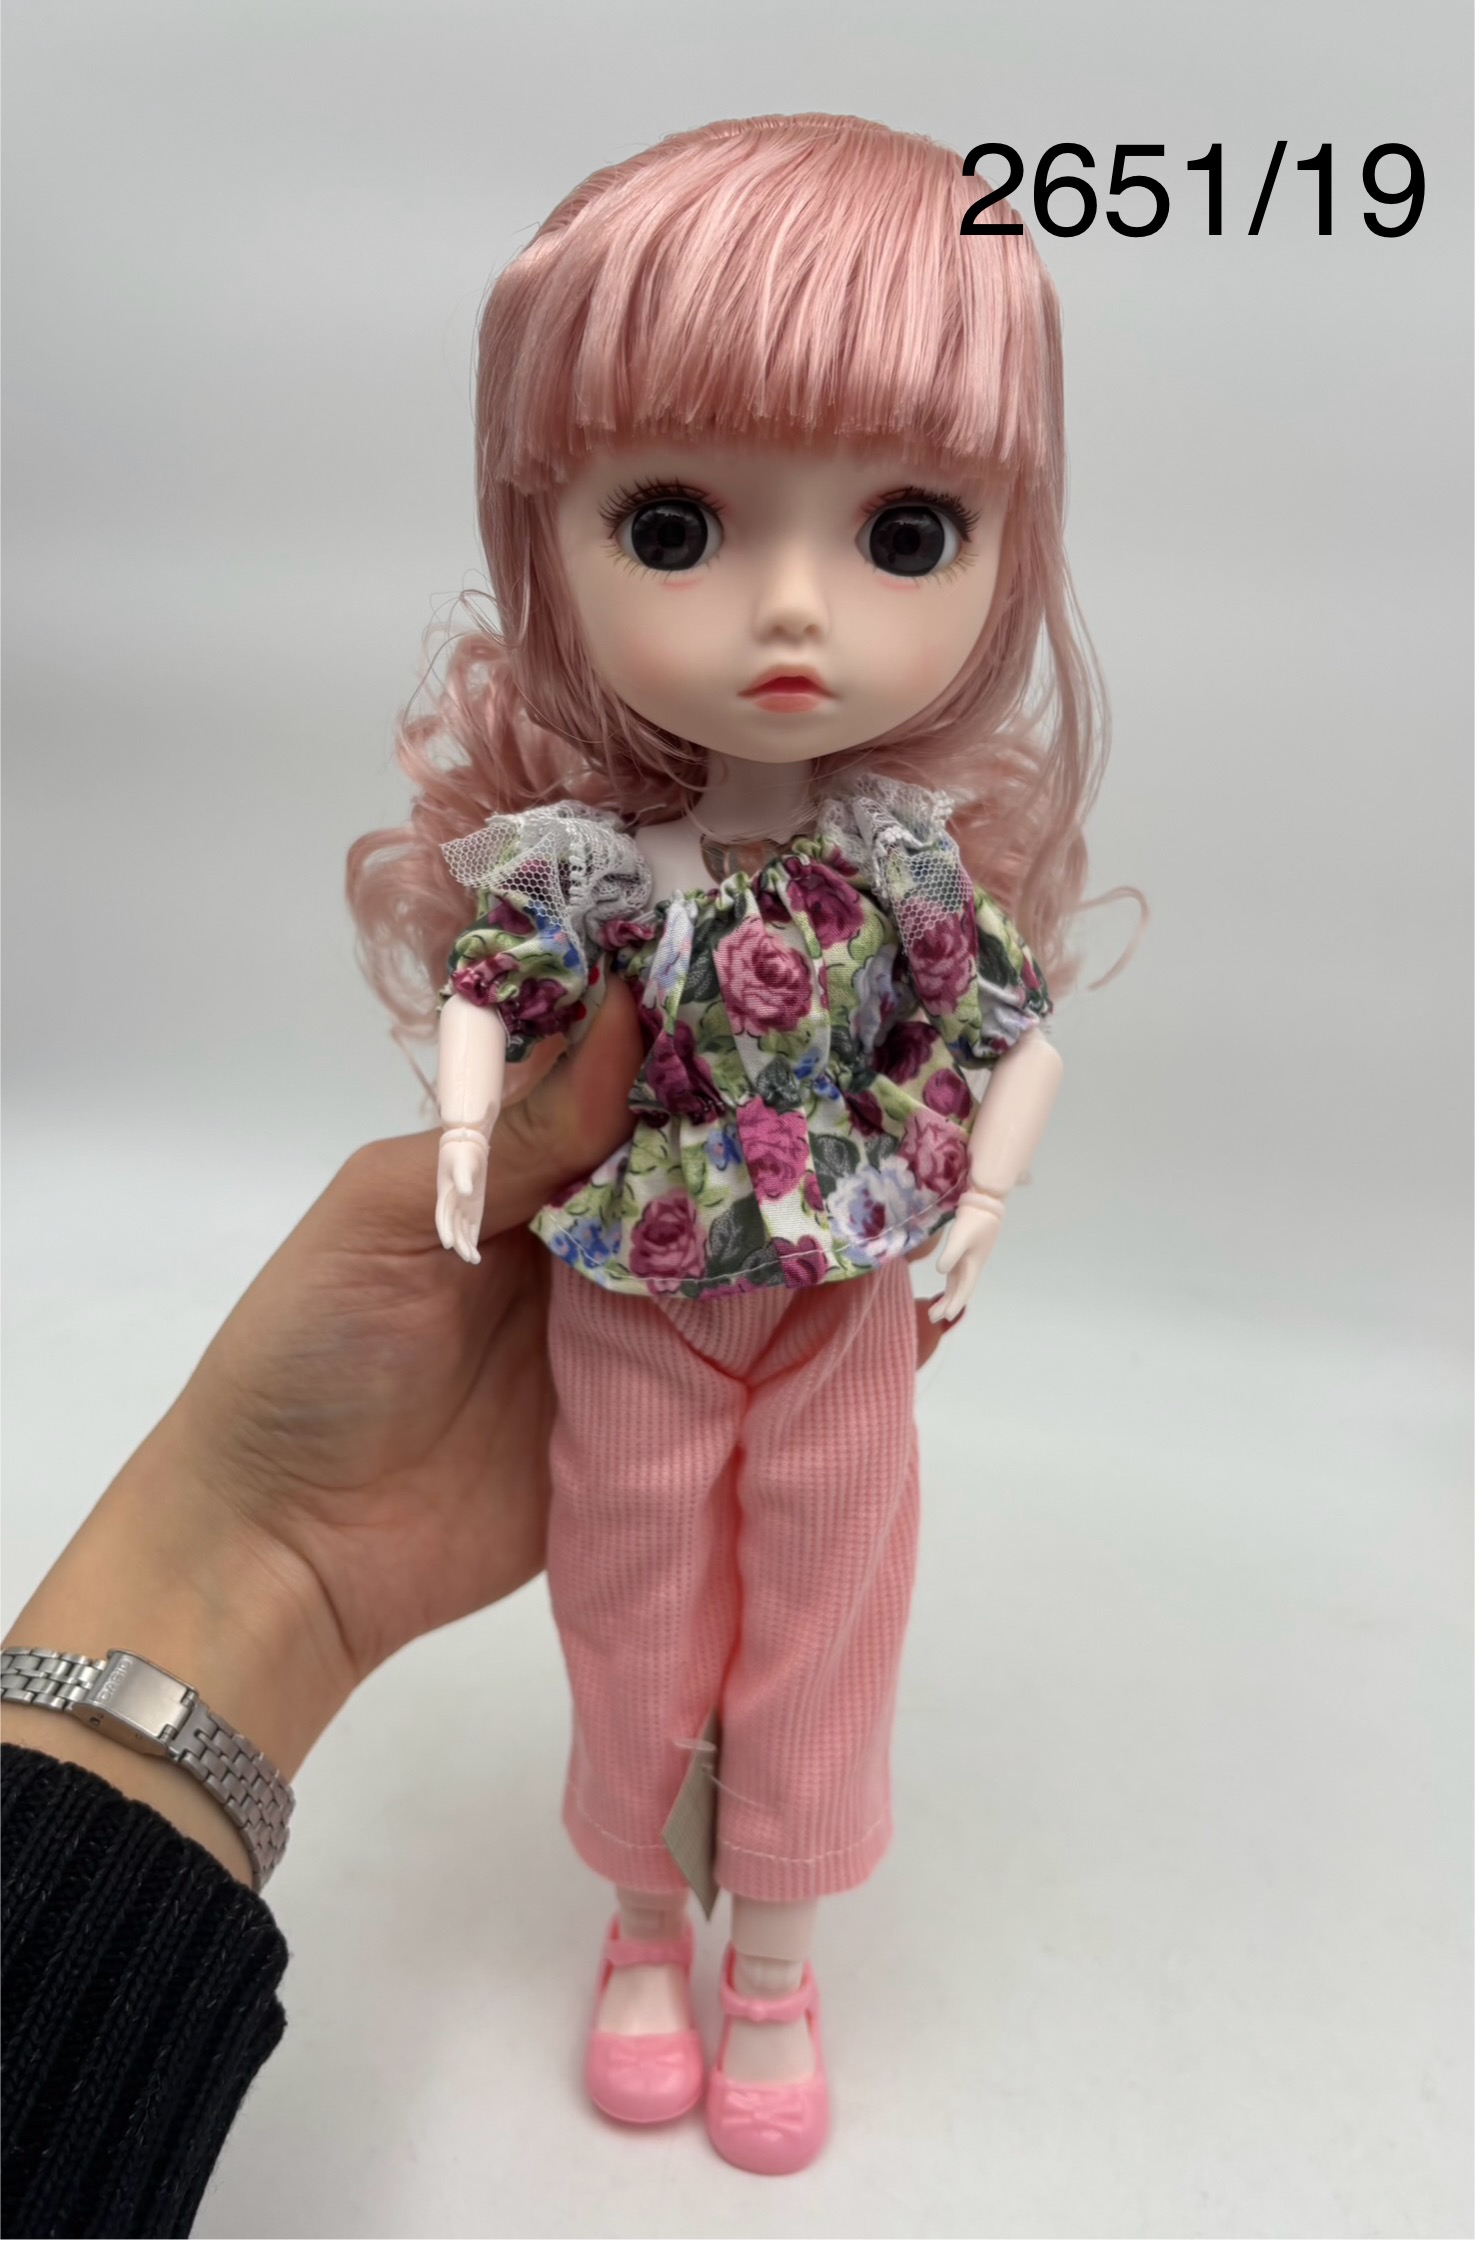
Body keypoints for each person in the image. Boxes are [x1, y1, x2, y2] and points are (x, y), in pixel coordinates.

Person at [1, 975, 960, 2238]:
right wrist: (478, 1135)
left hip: (840, 1266)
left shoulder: (893, 880)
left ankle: (774, 1977)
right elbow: (493, 987)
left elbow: (1001, 1027)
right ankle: (646, 1934)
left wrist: (978, 1186)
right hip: (631, 1253)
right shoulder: (597, 884)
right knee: (632, 1613)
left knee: (825, 1616)